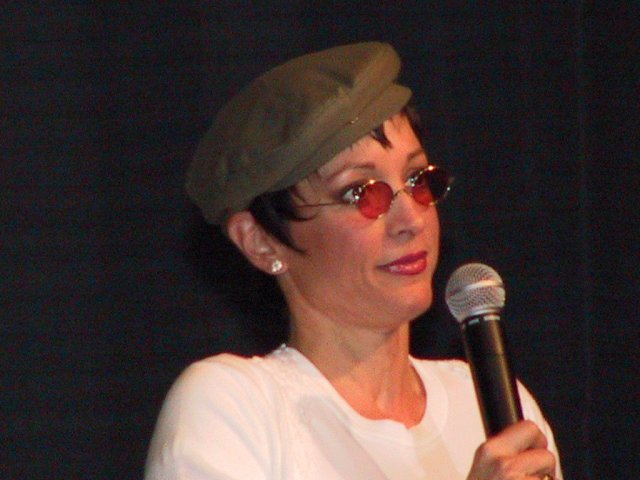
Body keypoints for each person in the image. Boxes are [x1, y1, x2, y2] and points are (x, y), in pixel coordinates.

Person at [145, 42, 562, 480]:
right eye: (361, 193)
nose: (411, 219)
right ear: (261, 242)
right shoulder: (235, 408)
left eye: (418, 180)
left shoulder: (491, 406)